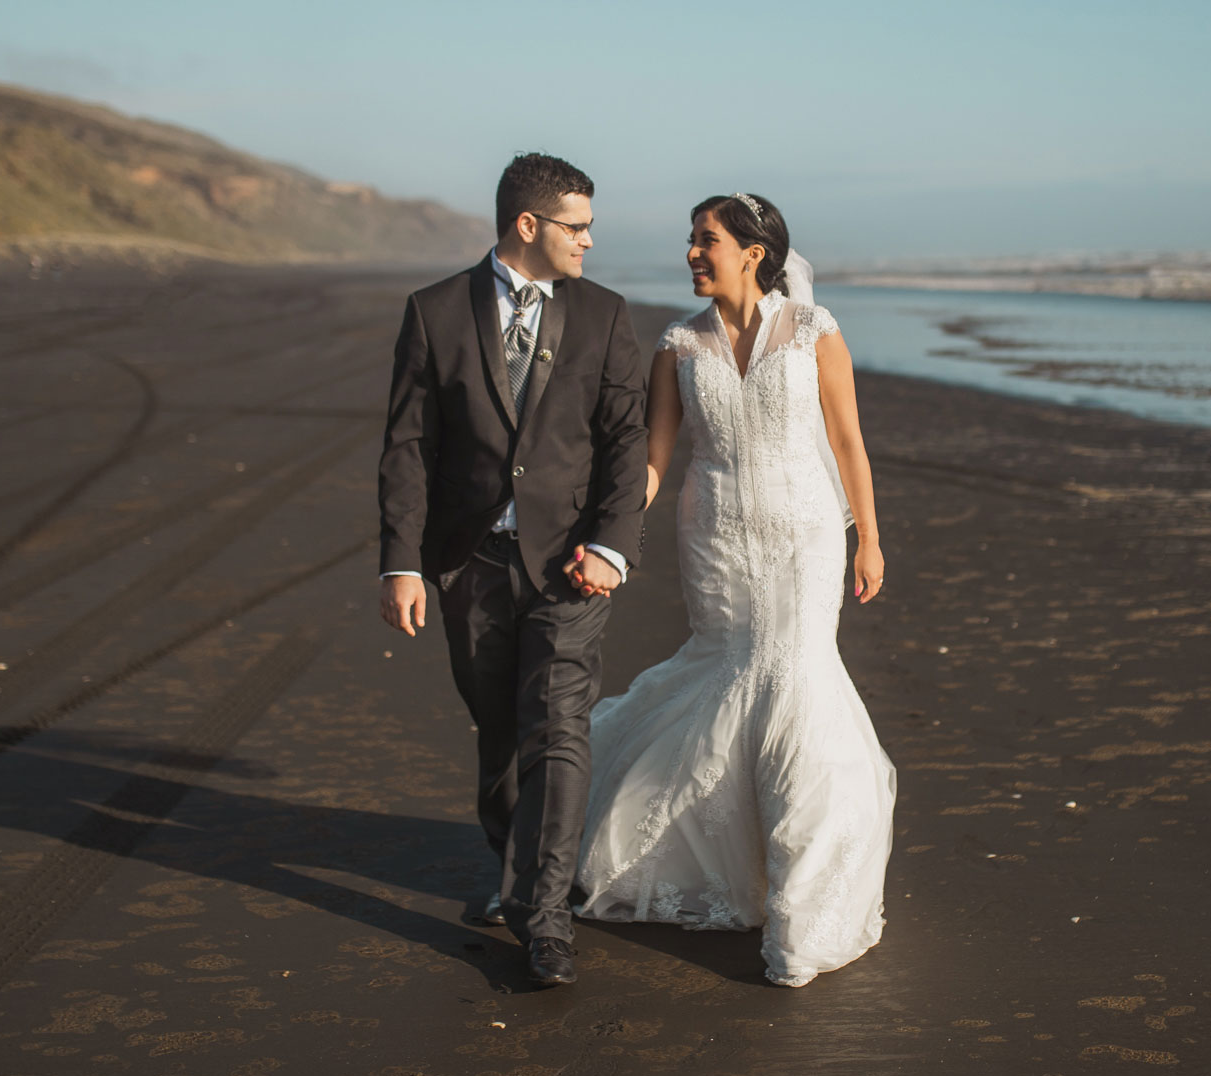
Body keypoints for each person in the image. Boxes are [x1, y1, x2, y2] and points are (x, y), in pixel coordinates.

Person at [572, 192, 897, 987]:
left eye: (705, 240)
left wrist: (871, 538)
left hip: (806, 537)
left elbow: (848, 440)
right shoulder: (678, 346)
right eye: (691, 240)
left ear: (754, 251)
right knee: (729, 678)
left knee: (794, 680)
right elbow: (654, 460)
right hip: (713, 537)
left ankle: (806, 904)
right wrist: (612, 537)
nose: (691, 252)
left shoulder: (815, 332)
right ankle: (730, 867)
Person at [376, 153, 648, 987]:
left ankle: (545, 914)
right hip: (471, 562)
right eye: (577, 225)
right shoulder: (435, 313)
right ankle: (516, 867)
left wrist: (610, 544)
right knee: (497, 725)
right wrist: (402, 563)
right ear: (528, 225)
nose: (590, 242)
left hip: (571, 563)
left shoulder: (603, 315)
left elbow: (625, 439)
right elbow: (408, 446)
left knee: (558, 725)